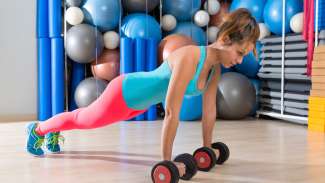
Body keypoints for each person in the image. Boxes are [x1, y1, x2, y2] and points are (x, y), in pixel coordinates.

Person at [26, 8, 259, 176]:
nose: (239, 60)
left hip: (136, 105)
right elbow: (170, 112)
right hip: (125, 92)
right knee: (84, 119)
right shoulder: (191, 57)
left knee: (84, 120)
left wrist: (207, 149)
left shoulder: (214, 70)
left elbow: (209, 113)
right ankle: (38, 129)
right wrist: (167, 162)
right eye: (239, 52)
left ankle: (53, 129)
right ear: (226, 39)